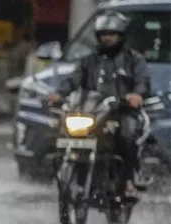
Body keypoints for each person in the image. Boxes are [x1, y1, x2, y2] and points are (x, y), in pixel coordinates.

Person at [49, 11, 150, 198]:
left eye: (112, 34)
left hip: (121, 111)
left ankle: (128, 180)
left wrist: (137, 95)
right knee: (61, 129)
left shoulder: (134, 60)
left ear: (121, 36)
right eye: (104, 34)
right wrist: (59, 94)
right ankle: (70, 176)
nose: (107, 38)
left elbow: (142, 81)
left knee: (128, 135)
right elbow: (73, 80)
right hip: (93, 111)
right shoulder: (90, 60)